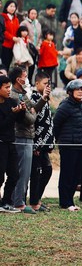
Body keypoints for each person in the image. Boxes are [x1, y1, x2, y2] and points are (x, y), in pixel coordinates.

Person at [9, 66, 48, 214]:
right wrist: (33, 112)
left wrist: (43, 98)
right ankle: (18, 202)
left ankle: (18, 200)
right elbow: (30, 119)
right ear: (18, 79)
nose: (27, 78)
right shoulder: (14, 96)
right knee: (22, 172)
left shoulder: (22, 93)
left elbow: (34, 109)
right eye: (25, 76)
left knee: (25, 172)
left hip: (28, 136)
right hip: (21, 136)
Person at [53, 79, 82, 211]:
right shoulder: (65, 105)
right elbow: (56, 124)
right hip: (69, 146)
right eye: (78, 89)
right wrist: (56, 141)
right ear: (70, 91)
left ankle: (70, 201)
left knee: (75, 176)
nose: (81, 91)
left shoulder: (80, 104)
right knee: (67, 175)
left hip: (80, 146)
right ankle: (65, 202)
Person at [28, 71, 54, 213]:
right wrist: (36, 144)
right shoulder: (33, 98)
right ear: (37, 83)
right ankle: (33, 201)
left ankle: (37, 199)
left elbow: (48, 123)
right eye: (45, 84)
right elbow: (34, 123)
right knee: (36, 173)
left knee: (47, 170)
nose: (47, 86)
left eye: (48, 84)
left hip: (45, 143)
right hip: (36, 143)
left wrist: (50, 142)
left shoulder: (45, 98)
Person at [0, 75, 26, 213]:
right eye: (6, 87)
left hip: (10, 142)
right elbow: (2, 125)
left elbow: (19, 121)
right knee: (0, 176)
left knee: (14, 174)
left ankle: (6, 202)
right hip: (1, 144)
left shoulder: (11, 102)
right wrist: (12, 114)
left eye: (9, 87)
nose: (9, 90)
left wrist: (21, 111)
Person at [2, 0, 20, 67]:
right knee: (4, 64)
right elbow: (3, 31)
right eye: (11, 6)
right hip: (4, 45)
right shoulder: (2, 17)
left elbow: (18, 31)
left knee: (10, 65)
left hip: (14, 45)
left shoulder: (16, 19)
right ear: (6, 7)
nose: (13, 8)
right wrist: (12, 37)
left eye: (14, 6)